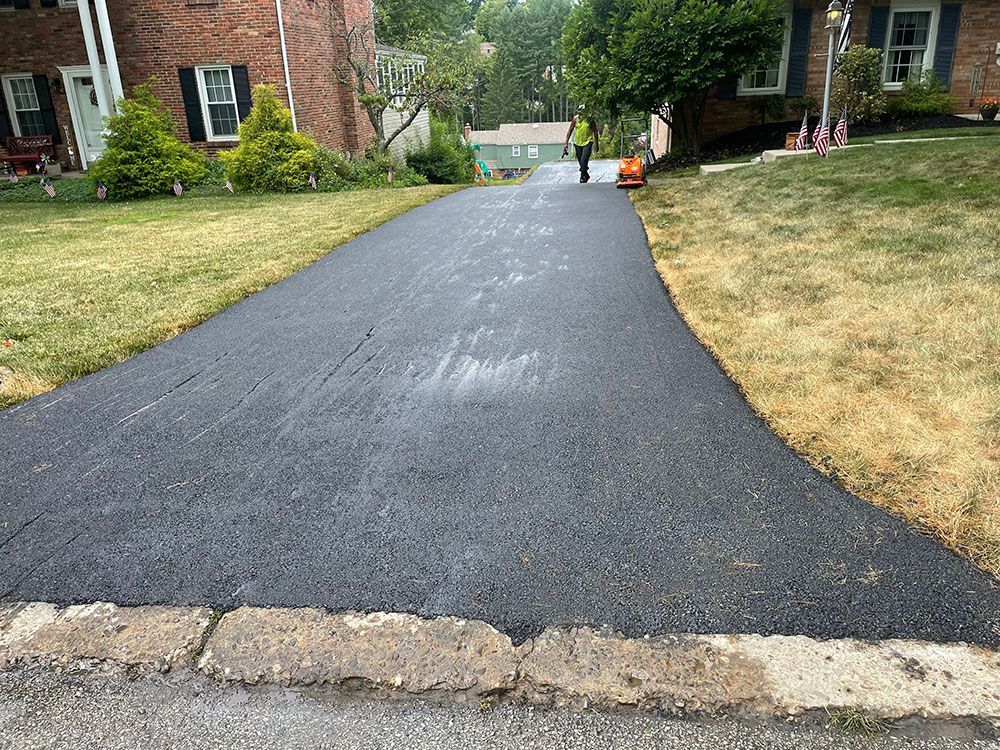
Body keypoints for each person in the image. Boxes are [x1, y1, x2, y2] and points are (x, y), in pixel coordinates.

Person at [563, 105, 599, 183]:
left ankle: (582, 176)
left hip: (588, 142)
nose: (581, 113)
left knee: (584, 159)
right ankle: (586, 174)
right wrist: (566, 143)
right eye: (580, 111)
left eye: (583, 111)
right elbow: (570, 131)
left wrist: (596, 144)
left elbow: (595, 132)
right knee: (580, 160)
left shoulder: (590, 119)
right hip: (578, 143)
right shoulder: (575, 119)